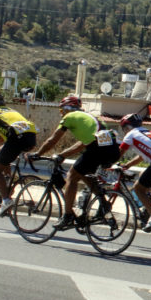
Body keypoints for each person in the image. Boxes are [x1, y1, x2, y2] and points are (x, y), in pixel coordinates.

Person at [32, 95, 120, 230]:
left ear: (67, 109)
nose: (62, 114)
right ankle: (103, 204)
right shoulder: (88, 117)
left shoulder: (69, 117)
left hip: (97, 148)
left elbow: (52, 140)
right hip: (113, 149)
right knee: (84, 175)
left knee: (72, 177)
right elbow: (82, 144)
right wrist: (63, 155)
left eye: (62, 111)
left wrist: (38, 154)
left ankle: (67, 216)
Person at [0, 91, 37, 217]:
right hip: (31, 137)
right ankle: (8, 181)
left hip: (17, 138)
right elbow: (0, 138)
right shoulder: (9, 111)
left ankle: (6, 200)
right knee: (1, 151)